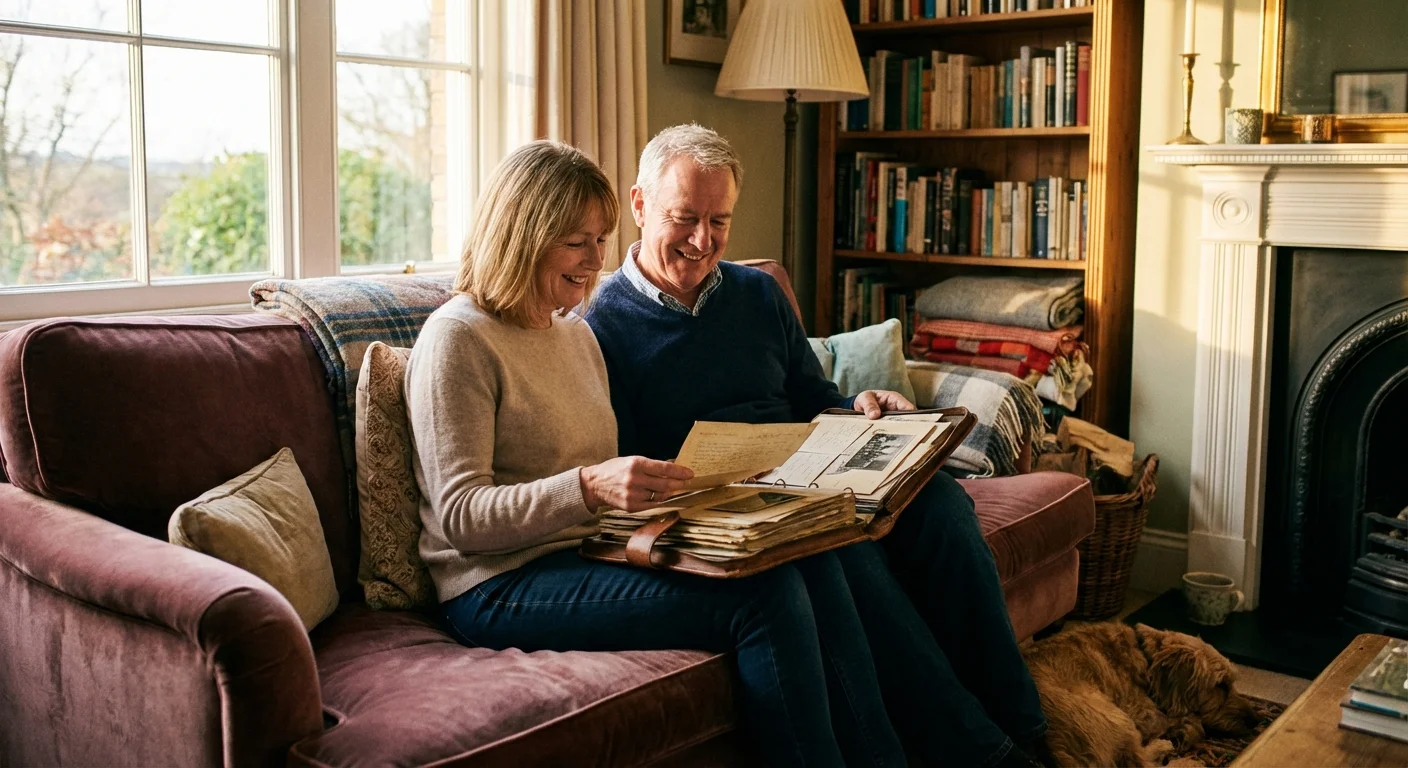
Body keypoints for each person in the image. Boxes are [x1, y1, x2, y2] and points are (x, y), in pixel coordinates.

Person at [406, 139, 914, 767]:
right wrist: (589, 488)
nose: (597, 261)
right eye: (577, 241)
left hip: (593, 548)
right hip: (496, 585)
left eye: (600, 239)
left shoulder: (574, 334)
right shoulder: (457, 338)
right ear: (524, 235)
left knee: (796, 559)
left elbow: (608, 477)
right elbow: (463, 516)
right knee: (765, 598)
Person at [585, 124, 1048, 766]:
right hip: (719, 505)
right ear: (639, 206)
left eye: (719, 221)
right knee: (841, 547)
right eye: (684, 218)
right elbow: (623, 463)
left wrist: (858, 410)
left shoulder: (757, 293)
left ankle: (1026, 728)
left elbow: (811, 396)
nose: (703, 241)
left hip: (813, 467)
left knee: (941, 504)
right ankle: (983, 753)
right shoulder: (598, 325)